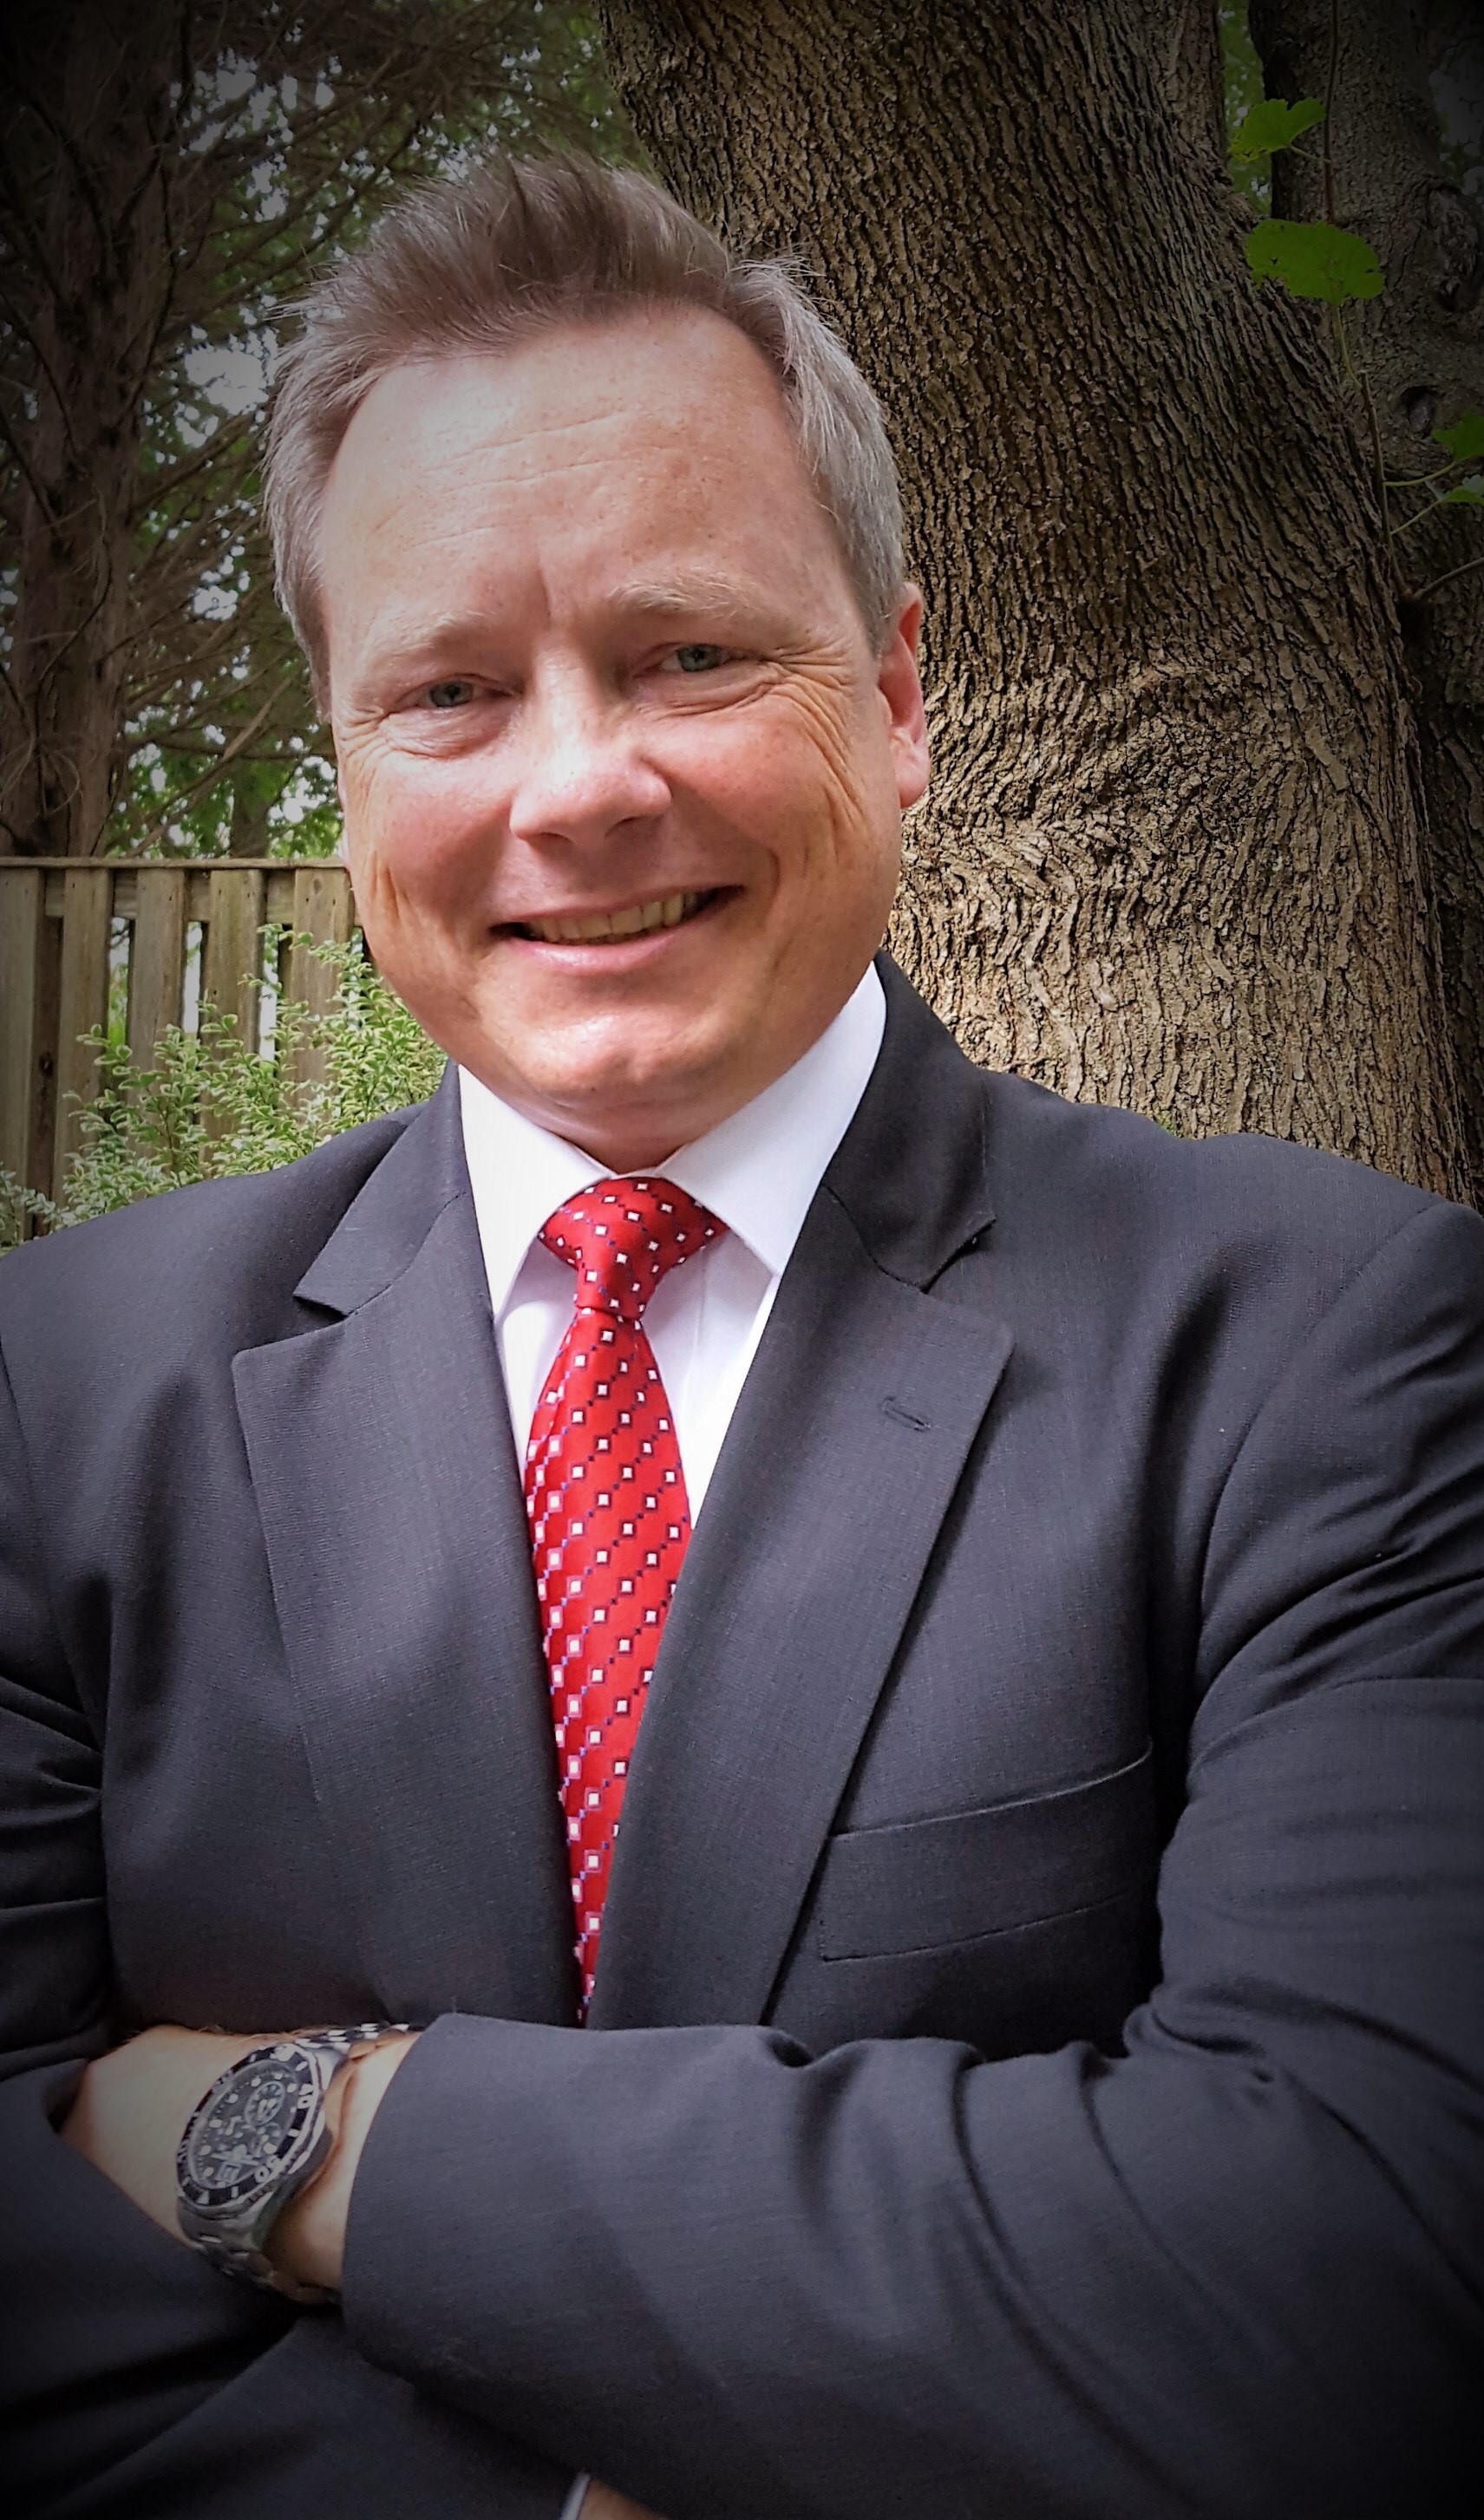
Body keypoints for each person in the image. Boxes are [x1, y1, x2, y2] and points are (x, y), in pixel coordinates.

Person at [1, 152, 1481, 2520]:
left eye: (692, 653)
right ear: (350, 767)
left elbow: (1356, 2274)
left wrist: (309, 2128)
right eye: (452, 691)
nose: (581, 785)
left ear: (898, 696)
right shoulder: (52, 1394)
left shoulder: (1328, 1350)